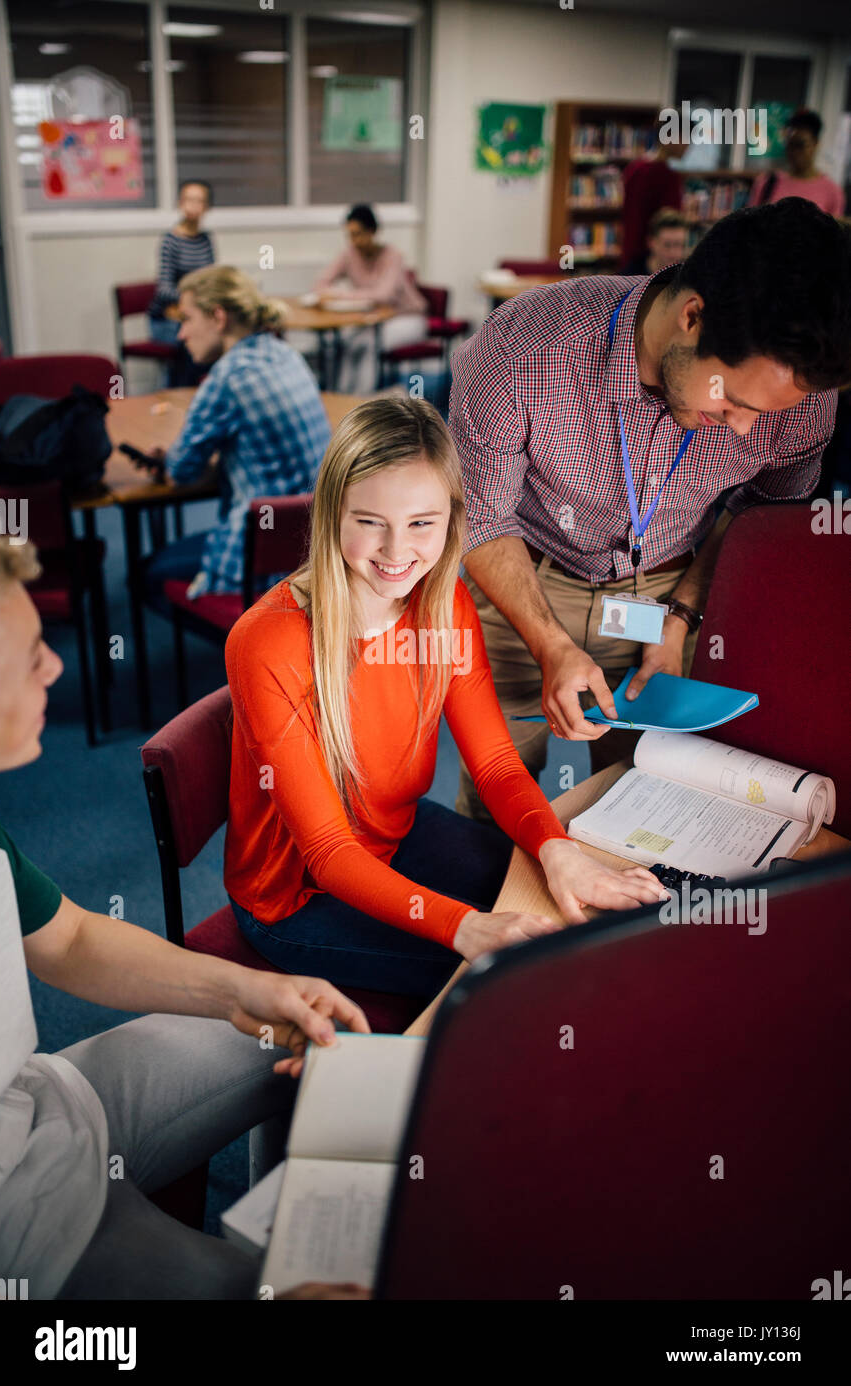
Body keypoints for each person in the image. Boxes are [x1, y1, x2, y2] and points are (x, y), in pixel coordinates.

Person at [0, 532, 372, 1300]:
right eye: (32, 654)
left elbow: (68, 937)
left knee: (292, 1030)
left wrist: (247, 992)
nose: (56, 666)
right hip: (12, 1229)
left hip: (35, 1102)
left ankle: (275, 1220)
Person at [224, 397, 667, 998]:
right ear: (331, 513)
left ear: (452, 519)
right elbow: (328, 852)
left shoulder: (443, 603)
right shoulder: (267, 641)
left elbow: (493, 763)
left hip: (397, 835)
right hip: (296, 897)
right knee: (531, 981)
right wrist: (465, 929)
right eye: (369, 521)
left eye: (421, 523)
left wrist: (556, 849)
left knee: (584, 917)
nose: (395, 550)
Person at [448, 197, 851, 825]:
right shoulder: (524, 347)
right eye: (733, 403)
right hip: (522, 582)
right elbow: (482, 517)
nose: (745, 432)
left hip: (667, 597)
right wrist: (551, 644)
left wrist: (682, 618)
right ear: (694, 316)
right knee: (495, 798)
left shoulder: (801, 399)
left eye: (763, 415)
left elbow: (760, 518)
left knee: (647, 799)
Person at [142, 265, 331, 606]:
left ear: (218, 317)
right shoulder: (285, 354)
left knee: (146, 574)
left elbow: (181, 471)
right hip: (315, 553)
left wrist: (167, 461)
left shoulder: (225, 378)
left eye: (186, 319)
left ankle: (237, 646)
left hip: (258, 565)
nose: (181, 334)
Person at [312, 204, 429, 392]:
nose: (353, 240)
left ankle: (361, 403)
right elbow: (320, 285)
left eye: (358, 234)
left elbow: (383, 295)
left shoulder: (393, 256)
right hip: (373, 320)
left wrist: (340, 295)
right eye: (349, 235)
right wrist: (337, 294)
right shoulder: (349, 254)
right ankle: (340, 398)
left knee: (368, 345)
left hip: (406, 317)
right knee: (344, 342)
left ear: (373, 231)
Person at [148, 180, 215, 385]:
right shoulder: (171, 240)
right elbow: (164, 290)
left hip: (196, 314)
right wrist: (194, 299)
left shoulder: (205, 240)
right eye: (188, 200)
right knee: (193, 345)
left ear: (207, 207)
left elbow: (211, 280)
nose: (193, 206)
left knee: (217, 341)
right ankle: (177, 396)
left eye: (199, 201)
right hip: (168, 319)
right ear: (180, 203)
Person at [748, 109, 844, 217]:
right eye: (790, 145)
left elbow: (834, 232)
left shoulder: (832, 192)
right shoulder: (767, 183)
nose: (794, 152)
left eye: (800, 145)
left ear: (816, 144)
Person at [620, 120, 687, 270]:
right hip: (654, 262)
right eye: (686, 138)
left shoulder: (634, 168)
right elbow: (671, 223)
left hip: (632, 256)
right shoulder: (667, 175)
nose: (688, 145)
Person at [622, 207, 688, 276]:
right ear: (651, 242)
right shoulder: (630, 276)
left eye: (678, 244)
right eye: (667, 245)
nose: (673, 253)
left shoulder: (688, 277)